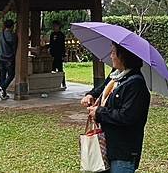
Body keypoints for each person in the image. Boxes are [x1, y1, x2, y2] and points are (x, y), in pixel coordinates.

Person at [82, 43, 150, 173]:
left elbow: (127, 117)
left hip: (123, 151)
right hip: (107, 145)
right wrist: (90, 95)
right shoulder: (116, 75)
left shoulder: (135, 84)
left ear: (124, 56)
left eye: (113, 52)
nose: (111, 56)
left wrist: (99, 112)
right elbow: (102, 89)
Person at [0, 19, 17, 100]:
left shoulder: (0, 34)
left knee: (2, 76)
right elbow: (15, 48)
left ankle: (3, 94)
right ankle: (1, 88)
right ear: (12, 26)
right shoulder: (13, 36)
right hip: (9, 59)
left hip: (0, 58)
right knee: (11, 75)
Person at [49, 21, 67, 89]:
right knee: (52, 69)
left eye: (55, 26)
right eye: (53, 26)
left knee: (60, 70)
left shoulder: (61, 35)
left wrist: (64, 55)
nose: (54, 27)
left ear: (59, 26)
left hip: (59, 55)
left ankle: (63, 83)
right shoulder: (52, 34)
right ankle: (53, 84)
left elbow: (63, 46)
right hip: (52, 54)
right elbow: (51, 44)